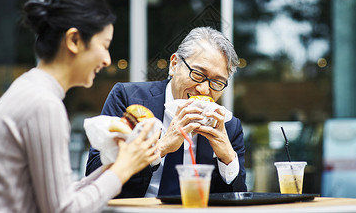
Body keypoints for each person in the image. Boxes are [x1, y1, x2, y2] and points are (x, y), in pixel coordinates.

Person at [0, 0, 160, 212]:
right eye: (104, 46)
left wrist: (118, 165)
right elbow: (63, 209)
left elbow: (59, 197)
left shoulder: (31, 88)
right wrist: (121, 170)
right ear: (73, 40)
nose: (107, 60)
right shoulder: (44, 105)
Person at [86, 26, 247, 198]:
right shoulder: (128, 99)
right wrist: (160, 148)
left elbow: (236, 199)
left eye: (217, 82)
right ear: (174, 64)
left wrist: (228, 158)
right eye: (198, 74)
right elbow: (94, 174)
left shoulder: (228, 126)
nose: (204, 89)